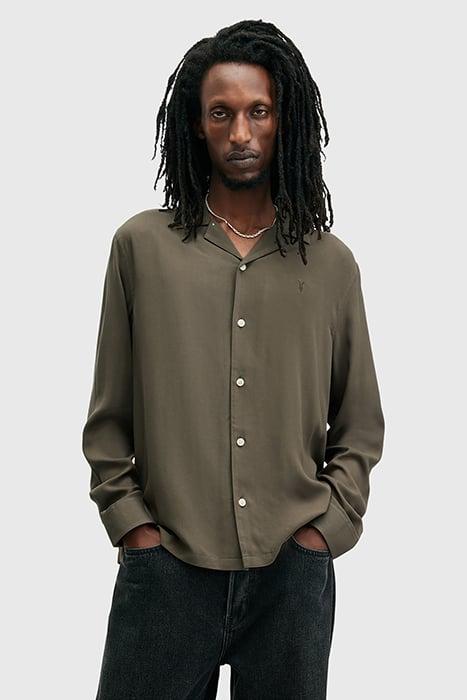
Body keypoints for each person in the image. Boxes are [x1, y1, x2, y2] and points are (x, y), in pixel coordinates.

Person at [82, 18, 385, 700]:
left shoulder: (330, 264)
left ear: (284, 122)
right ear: (196, 125)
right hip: (166, 569)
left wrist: (323, 534)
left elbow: (360, 424)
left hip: (290, 575)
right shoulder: (141, 248)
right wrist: (134, 529)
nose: (241, 133)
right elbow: (108, 416)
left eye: (259, 112)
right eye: (221, 113)